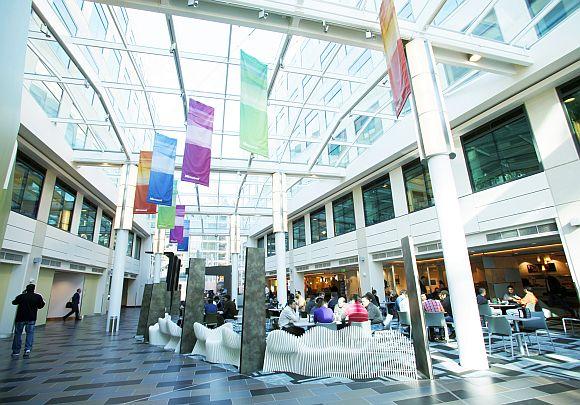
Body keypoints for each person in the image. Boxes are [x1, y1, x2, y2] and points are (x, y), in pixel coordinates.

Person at [12, 284, 45, 359]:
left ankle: (16, 352)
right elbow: (40, 306)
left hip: (20, 318)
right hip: (31, 318)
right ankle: (27, 349)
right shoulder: (37, 296)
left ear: (26, 289)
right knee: (30, 334)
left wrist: (22, 295)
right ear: (34, 289)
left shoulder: (22, 296)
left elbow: (14, 302)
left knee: (18, 334)